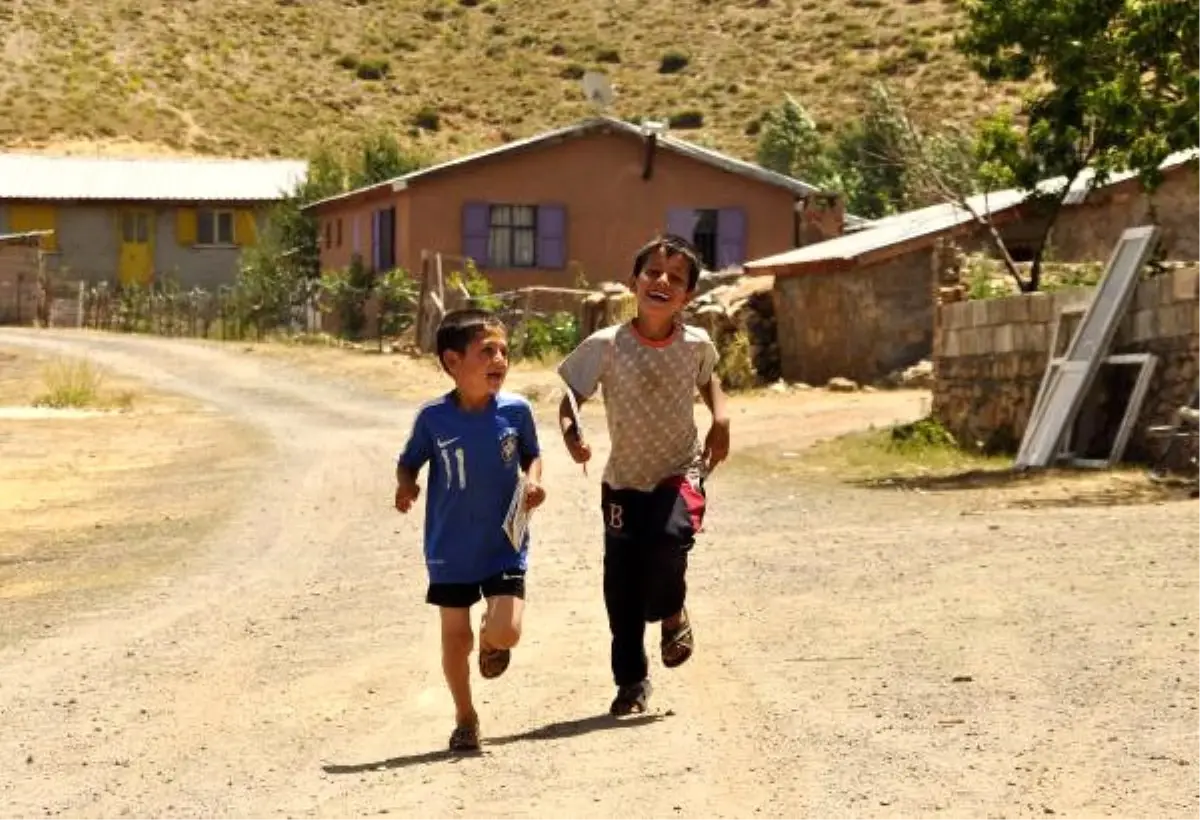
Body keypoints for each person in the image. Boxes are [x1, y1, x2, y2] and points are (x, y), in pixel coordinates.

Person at [556, 233, 730, 716]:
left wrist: (721, 419)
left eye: (675, 278)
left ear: (688, 295)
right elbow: (571, 395)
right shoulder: (606, 345)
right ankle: (631, 683)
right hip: (623, 481)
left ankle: (672, 613)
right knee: (622, 588)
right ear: (633, 281)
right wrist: (573, 435)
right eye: (652, 272)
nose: (662, 281)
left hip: (680, 468)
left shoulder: (696, 344)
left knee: (670, 537)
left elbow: (709, 382)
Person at [395, 308, 546, 751]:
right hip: (450, 545)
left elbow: (531, 456)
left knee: (507, 633)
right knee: (454, 638)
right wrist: (407, 486)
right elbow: (408, 462)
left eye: (504, 350)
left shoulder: (517, 411)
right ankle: (465, 717)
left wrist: (534, 481)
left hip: (505, 537)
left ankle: (491, 637)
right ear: (452, 362)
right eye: (487, 351)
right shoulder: (433, 418)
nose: (500, 358)